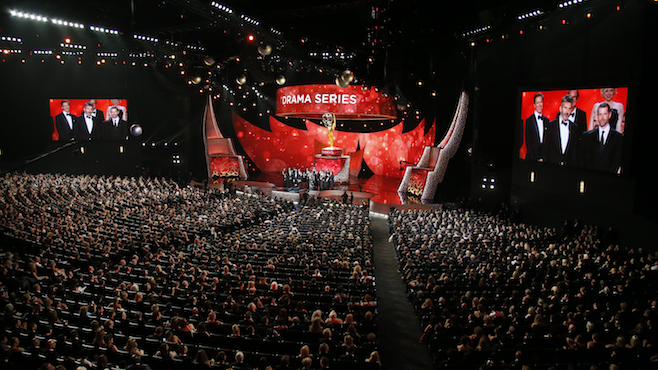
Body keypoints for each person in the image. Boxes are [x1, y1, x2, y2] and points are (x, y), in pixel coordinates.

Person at [581, 102, 623, 173]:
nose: (602, 117)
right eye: (600, 114)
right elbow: (585, 160)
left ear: (609, 115)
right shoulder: (588, 137)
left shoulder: (618, 138)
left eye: (605, 114)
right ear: (597, 116)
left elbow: (616, 161)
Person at [545, 95, 580, 166]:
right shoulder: (551, 126)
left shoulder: (574, 128)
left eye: (569, 109)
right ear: (560, 108)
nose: (567, 111)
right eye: (565, 108)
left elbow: (574, 153)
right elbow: (546, 149)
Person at [524, 92, 550, 162]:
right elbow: (529, 142)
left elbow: (547, 142)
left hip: (544, 159)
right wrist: (536, 159)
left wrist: (543, 158)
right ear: (534, 105)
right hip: (532, 158)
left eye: (541, 102)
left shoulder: (547, 121)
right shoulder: (529, 121)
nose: (539, 105)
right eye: (537, 103)